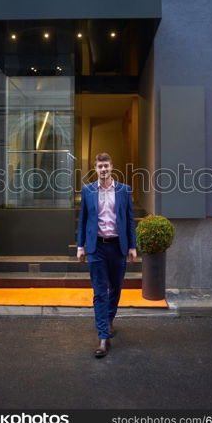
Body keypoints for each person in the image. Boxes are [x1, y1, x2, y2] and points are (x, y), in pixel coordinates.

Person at [77, 152, 137, 357]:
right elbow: (82, 220)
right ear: (95, 169)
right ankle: (103, 337)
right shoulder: (88, 191)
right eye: (100, 166)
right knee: (100, 292)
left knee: (116, 288)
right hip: (97, 248)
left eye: (106, 166)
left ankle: (109, 318)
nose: (103, 169)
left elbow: (129, 219)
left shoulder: (124, 191)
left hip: (117, 247)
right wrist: (80, 246)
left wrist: (132, 246)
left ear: (112, 167)